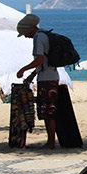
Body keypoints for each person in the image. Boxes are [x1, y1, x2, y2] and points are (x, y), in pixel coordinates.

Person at [16, 14, 59, 149]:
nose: (25, 36)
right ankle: (50, 141)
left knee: (48, 112)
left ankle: (51, 142)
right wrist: (32, 75)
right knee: (48, 111)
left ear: (29, 30)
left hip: (47, 79)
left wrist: (23, 69)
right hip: (51, 76)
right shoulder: (45, 35)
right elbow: (44, 62)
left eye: (25, 34)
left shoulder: (38, 38)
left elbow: (39, 60)